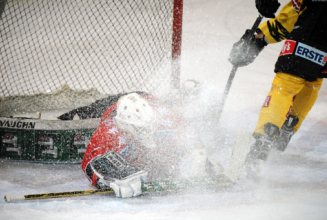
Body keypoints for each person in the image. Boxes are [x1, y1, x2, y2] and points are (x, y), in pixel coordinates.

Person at [229, 0, 327, 174]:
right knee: (312, 80)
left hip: (314, 25)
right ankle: (287, 128)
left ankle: (265, 137)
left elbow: (290, 16)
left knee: (287, 84)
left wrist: (260, 37)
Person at [76, 92, 217, 198]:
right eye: (139, 130)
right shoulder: (108, 131)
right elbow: (89, 163)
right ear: (124, 126)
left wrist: (196, 154)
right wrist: (107, 178)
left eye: (149, 127)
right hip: (111, 104)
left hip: (147, 97)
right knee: (83, 112)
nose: (146, 132)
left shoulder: (168, 115)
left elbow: (189, 135)